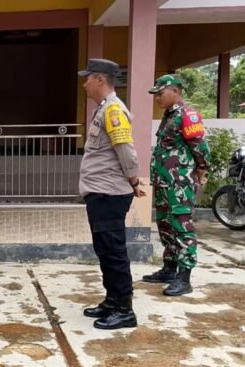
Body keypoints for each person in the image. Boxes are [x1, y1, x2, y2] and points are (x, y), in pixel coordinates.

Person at [77, 59, 146, 330]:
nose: (84, 84)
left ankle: (124, 309)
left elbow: (125, 148)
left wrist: (133, 179)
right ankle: (112, 299)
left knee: (113, 250)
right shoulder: (105, 109)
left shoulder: (114, 110)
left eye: (87, 79)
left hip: (109, 193)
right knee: (105, 249)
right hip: (100, 191)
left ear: (100, 80)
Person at [143, 74, 210, 296]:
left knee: (182, 226)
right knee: (165, 225)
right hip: (164, 183)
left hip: (179, 183)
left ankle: (184, 276)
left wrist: (201, 170)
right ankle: (169, 268)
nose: (158, 98)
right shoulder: (168, 116)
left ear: (175, 91)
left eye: (160, 94)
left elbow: (200, 147)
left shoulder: (187, 116)